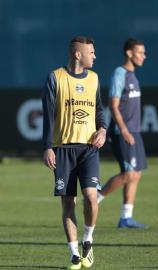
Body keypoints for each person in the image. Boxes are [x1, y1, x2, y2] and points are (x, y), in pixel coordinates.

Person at [42, 36, 106, 269]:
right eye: (91, 52)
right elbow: (48, 116)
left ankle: (87, 240)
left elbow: (99, 109)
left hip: (88, 149)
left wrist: (103, 129)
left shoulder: (95, 79)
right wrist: (48, 147)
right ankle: (73, 254)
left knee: (91, 197)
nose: (95, 56)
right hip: (63, 150)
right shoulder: (55, 78)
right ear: (78, 54)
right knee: (68, 203)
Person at [97, 38, 148, 229]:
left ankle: (126, 218)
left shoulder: (133, 75)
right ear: (129, 53)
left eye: (144, 53)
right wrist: (124, 130)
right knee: (128, 173)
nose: (144, 56)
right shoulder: (120, 73)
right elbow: (114, 105)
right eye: (140, 52)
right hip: (122, 132)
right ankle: (95, 198)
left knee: (136, 174)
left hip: (135, 131)